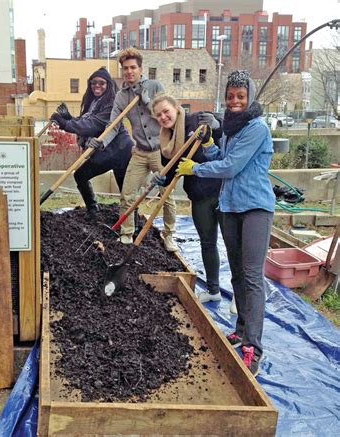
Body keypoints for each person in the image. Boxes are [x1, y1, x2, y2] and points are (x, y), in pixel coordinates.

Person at [175, 70, 275, 376]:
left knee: (252, 277)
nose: (234, 101)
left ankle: (253, 348)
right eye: (230, 96)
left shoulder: (256, 128)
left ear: (250, 98)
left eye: (240, 97)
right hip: (230, 207)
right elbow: (222, 155)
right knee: (237, 274)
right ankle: (241, 329)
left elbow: (231, 167)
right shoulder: (232, 129)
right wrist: (207, 146)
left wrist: (195, 169)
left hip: (255, 208)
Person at [90, 48, 177, 251]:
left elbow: (166, 117)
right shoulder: (121, 97)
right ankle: (127, 233)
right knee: (128, 194)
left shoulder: (155, 87)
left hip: (160, 151)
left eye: (133, 67)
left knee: (167, 195)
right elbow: (114, 125)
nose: (129, 72)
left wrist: (146, 100)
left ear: (140, 68)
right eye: (125, 68)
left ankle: (169, 234)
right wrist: (101, 142)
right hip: (139, 152)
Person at [150, 94, 223, 303]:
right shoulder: (166, 141)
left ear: (176, 108)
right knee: (208, 243)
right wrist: (162, 179)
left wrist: (216, 124)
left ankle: (241, 296)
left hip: (221, 192)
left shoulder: (197, 120)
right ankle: (213, 289)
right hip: (199, 196)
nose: (164, 117)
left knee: (234, 245)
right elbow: (172, 170)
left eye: (166, 111)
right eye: (159, 115)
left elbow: (226, 128)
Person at [50, 67, 133, 218]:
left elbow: (92, 125)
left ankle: (132, 222)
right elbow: (85, 121)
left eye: (101, 83)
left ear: (108, 85)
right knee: (81, 175)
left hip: (120, 150)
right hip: (105, 149)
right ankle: (93, 210)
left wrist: (64, 124)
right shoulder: (94, 102)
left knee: (124, 188)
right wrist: (68, 118)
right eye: (93, 83)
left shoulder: (112, 104)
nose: (97, 86)